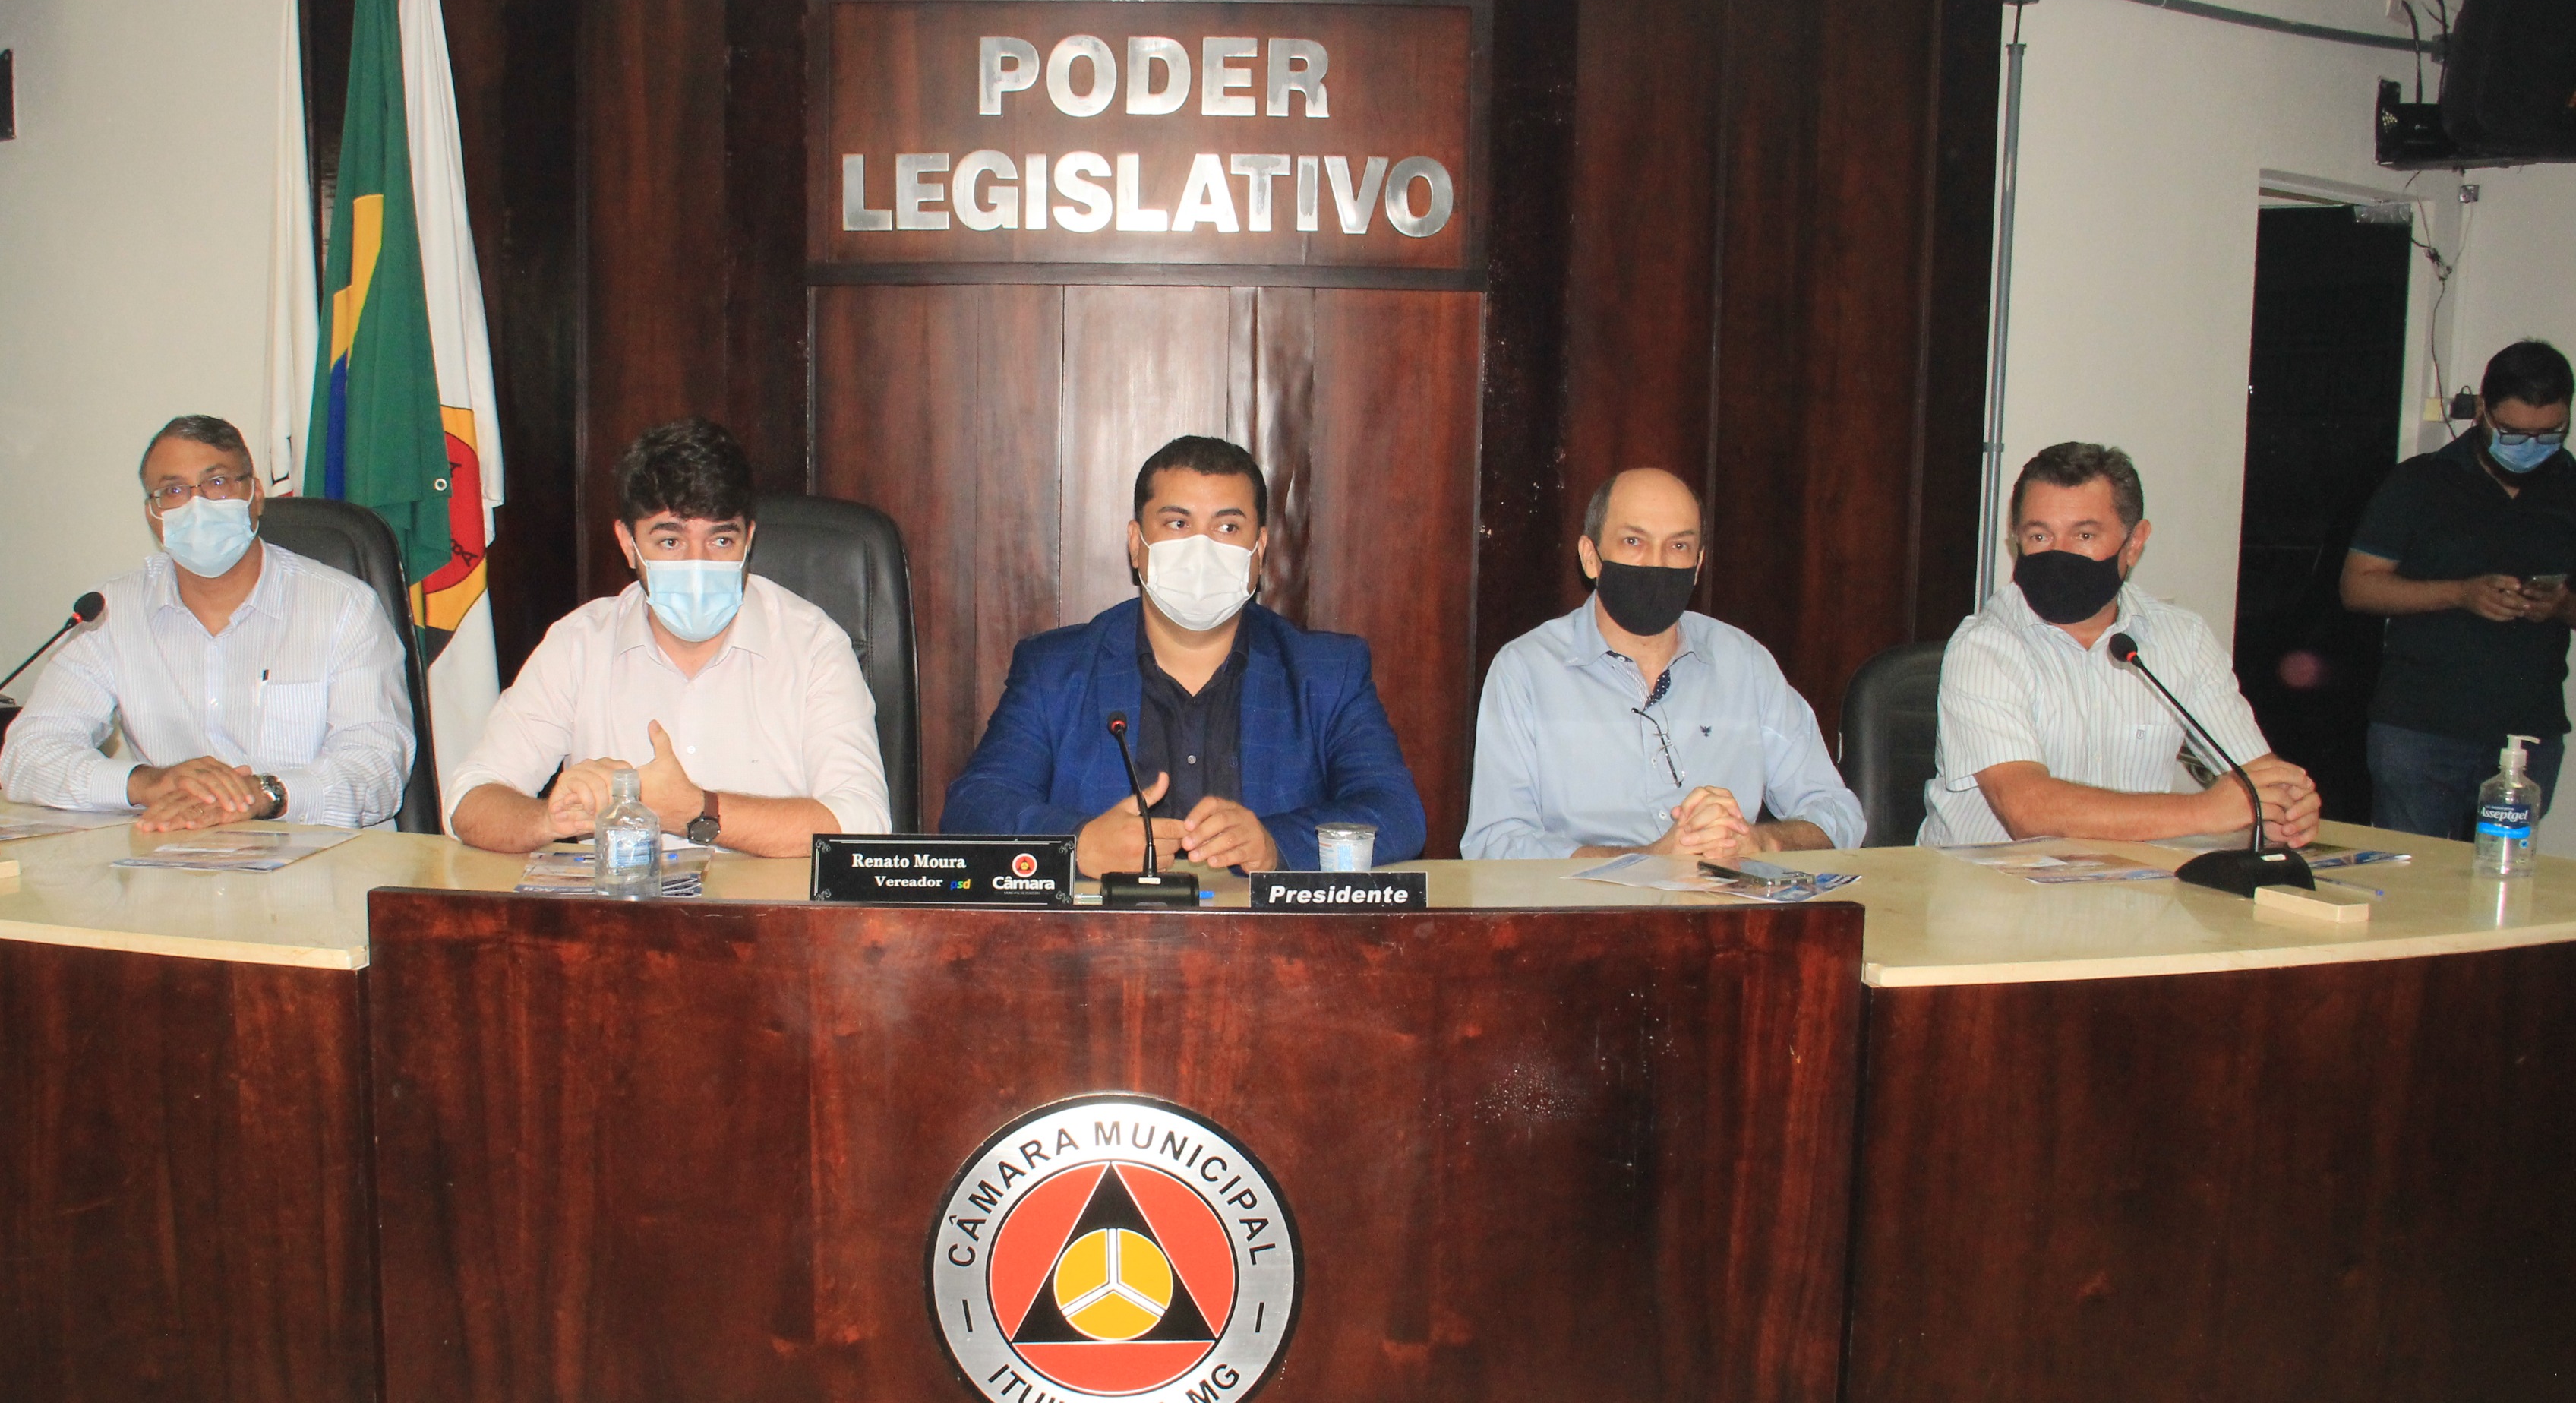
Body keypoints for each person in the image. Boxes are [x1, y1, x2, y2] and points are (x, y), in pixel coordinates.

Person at [941, 434, 1425, 875]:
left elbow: (1396, 812)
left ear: (1259, 549)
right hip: (1101, 939)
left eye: (1227, 527)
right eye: (1178, 523)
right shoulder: (1055, 669)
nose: (1201, 550)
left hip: (1269, 940)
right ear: (1137, 545)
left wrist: (1275, 844)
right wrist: (1078, 844)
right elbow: (974, 807)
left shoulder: (1326, 673)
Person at [446, 418, 888, 855]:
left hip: (768, 903)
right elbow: (469, 800)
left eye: (720, 541)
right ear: (628, 543)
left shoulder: (813, 646)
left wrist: (698, 811)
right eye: (671, 542)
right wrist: (551, 818)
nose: (698, 565)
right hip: (624, 900)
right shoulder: (579, 645)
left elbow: (864, 823)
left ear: (749, 539)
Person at [0, 414, 415, 830]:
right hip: (174, 854)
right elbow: (28, 755)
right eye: (173, 490)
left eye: (217, 483)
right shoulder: (110, 612)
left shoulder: (342, 606)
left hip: (321, 856)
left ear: (255, 496)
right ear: (153, 515)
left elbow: (378, 767)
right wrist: (147, 783)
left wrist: (262, 795)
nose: (196, 505)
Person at [1924, 441, 2321, 848]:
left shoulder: (2183, 639)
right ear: (2017, 539)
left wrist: (2285, 806)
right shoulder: (1984, 646)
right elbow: (2030, 812)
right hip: (1990, 882)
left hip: (2132, 879)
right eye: (2039, 535)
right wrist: (2208, 811)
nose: (2059, 555)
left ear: (2134, 543)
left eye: (2084, 535)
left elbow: (2255, 774)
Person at [1463, 467, 1863, 861]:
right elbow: (1495, 845)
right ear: (1591, 557)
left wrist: (1758, 841)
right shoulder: (1526, 671)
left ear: (1698, 565)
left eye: (1678, 546)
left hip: (1722, 900)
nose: (1656, 563)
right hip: (1589, 901)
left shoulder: (1746, 665)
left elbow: (1837, 813)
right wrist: (1647, 860)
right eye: (1633, 541)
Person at [2341, 339, 2576, 838]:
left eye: (2549, 433)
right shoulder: (2420, 483)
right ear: (2484, 412)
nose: (2531, 446)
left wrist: (2559, 605)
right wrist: (2462, 594)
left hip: (2528, 731)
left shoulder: (2570, 488)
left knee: (2503, 876)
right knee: (2413, 878)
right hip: (2420, 729)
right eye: (2514, 433)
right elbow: (2358, 587)